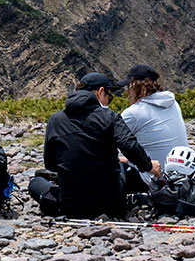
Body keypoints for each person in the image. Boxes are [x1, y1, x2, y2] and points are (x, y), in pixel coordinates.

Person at [43, 72, 160, 219]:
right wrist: (149, 166)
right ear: (100, 92)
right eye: (109, 97)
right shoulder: (110, 117)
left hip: (71, 206)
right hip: (111, 205)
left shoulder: (55, 120)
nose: (108, 101)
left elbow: (50, 164)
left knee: (36, 182)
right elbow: (129, 145)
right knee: (122, 169)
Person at [116, 64, 187, 164]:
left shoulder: (134, 113)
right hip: (181, 171)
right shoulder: (173, 103)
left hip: (154, 175)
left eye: (129, 86)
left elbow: (107, 146)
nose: (127, 91)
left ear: (135, 85)